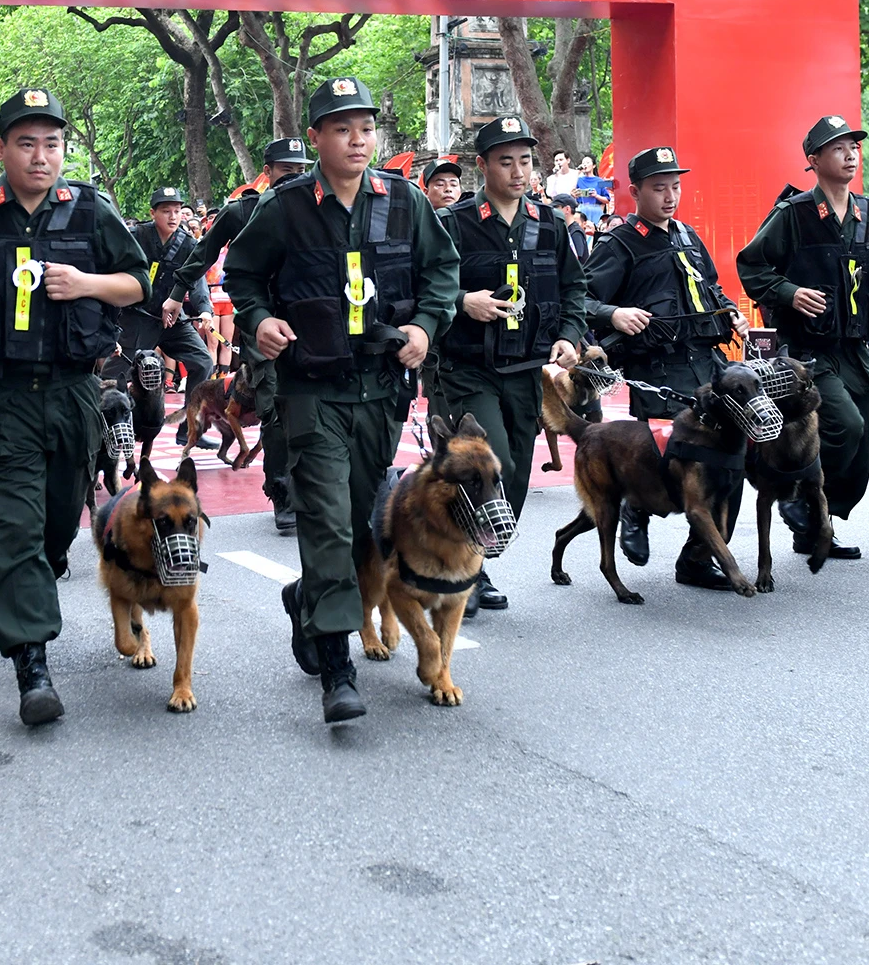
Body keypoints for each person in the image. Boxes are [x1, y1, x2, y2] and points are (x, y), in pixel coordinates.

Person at [0, 87, 148, 726]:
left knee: (58, 521)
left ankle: (42, 571)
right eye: (26, 143)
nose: (41, 157)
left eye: (52, 144)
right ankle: (31, 664)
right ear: (1, 148)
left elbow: (137, 281)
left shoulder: (91, 210)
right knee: (14, 524)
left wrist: (87, 284)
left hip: (70, 393)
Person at [223, 76, 460, 724]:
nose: (357, 140)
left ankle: (308, 597)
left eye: (365, 128)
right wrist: (258, 319)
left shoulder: (405, 203)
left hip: (381, 393)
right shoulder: (286, 207)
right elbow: (241, 275)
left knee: (358, 528)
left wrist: (425, 327)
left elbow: (443, 272)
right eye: (341, 128)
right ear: (317, 138)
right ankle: (337, 666)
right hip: (311, 391)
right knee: (326, 523)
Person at [431, 117, 586, 613]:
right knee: (493, 460)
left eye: (525, 160)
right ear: (483, 166)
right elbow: (419, 287)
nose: (518, 172)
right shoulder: (453, 223)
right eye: (505, 161)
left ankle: (476, 560)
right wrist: (461, 300)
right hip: (468, 368)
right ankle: (464, 570)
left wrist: (569, 335)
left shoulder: (549, 223)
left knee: (515, 475)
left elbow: (574, 290)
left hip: (526, 370)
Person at [736, 115, 869, 560]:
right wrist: (790, 293)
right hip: (808, 351)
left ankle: (817, 523)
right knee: (844, 426)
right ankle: (794, 495)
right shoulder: (793, 214)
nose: (850, 154)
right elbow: (751, 266)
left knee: (864, 439)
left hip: (854, 344)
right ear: (813, 160)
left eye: (854, 146)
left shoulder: (867, 212)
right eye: (837, 148)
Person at [585, 146, 746, 580]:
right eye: (659, 188)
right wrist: (612, 314)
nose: (670, 196)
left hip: (708, 368)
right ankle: (635, 507)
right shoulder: (619, 243)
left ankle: (696, 559)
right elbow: (580, 298)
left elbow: (711, 288)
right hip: (658, 370)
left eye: (675, 186)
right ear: (635, 192)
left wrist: (731, 313)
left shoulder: (688, 236)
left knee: (730, 467)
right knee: (665, 460)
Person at [160, 136, 313, 533]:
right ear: (266, 172)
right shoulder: (242, 210)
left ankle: (317, 488)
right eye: (285, 171)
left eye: (300, 171)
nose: (293, 178)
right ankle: (282, 494)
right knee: (276, 408)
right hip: (261, 328)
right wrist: (178, 295)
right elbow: (204, 252)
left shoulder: (320, 208)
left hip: (315, 325)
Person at [127, 187, 216, 442]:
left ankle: (188, 430)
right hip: (138, 316)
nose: (173, 216)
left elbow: (196, 282)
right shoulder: (136, 236)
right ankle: (113, 429)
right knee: (117, 371)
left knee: (203, 362)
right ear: (153, 213)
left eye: (177, 211)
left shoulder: (188, 244)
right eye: (166, 211)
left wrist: (205, 310)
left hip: (172, 321)